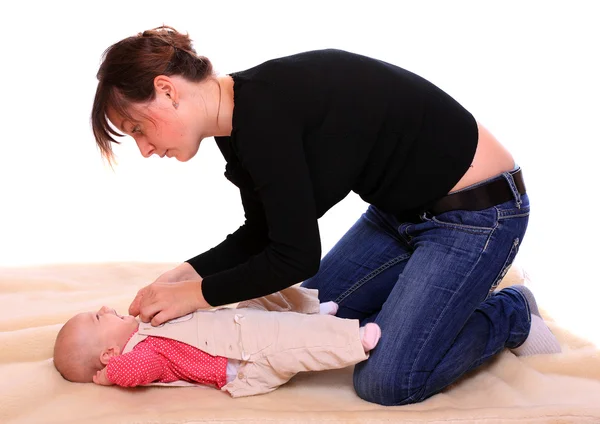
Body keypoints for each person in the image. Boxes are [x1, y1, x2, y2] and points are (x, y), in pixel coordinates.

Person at [90, 26, 560, 405]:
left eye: (137, 129)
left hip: (477, 216)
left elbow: (294, 257)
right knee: (312, 315)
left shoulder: (264, 114)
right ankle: (421, 309)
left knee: (386, 382)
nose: (146, 150)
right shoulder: (238, 124)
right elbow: (264, 233)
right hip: (397, 216)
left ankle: (511, 311)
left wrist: (198, 295)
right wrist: (184, 275)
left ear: (167, 91)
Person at [53, 286, 382, 397]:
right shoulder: (143, 353)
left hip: (235, 327)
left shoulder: (145, 329)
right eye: (99, 318)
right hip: (244, 360)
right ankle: (351, 341)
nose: (106, 308)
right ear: (110, 354)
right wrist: (110, 377)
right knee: (287, 343)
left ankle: (310, 312)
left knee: (258, 294)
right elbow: (132, 372)